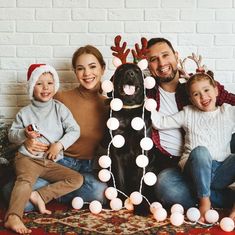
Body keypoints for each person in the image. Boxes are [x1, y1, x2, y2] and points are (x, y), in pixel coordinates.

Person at [2, 45, 109, 211]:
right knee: (14, 196)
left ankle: (47, 194)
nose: (87, 73)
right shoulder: (59, 98)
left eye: (92, 66)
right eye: (80, 68)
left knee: (99, 193)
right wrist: (26, 142)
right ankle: (47, 194)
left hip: (87, 168)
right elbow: (33, 124)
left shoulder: (109, 105)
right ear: (75, 72)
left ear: (103, 68)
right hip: (56, 161)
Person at [145, 38, 235, 213]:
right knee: (165, 186)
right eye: (154, 59)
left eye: (165, 55)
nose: (161, 63)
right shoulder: (148, 92)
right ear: (148, 65)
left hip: (220, 164)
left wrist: (206, 86)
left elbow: (229, 99)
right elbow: (158, 121)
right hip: (181, 167)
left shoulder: (197, 83)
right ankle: (219, 198)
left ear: (176, 56)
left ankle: (207, 196)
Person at [4, 64, 84, 234]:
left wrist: (59, 145)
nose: (45, 87)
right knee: (25, 181)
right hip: (28, 159)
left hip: (49, 161)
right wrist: (24, 135)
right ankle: (13, 217)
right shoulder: (24, 113)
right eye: (39, 84)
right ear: (32, 88)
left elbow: (74, 129)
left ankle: (40, 195)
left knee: (76, 179)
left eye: (49, 83)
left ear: (54, 86)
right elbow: (12, 135)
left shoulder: (59, 109)